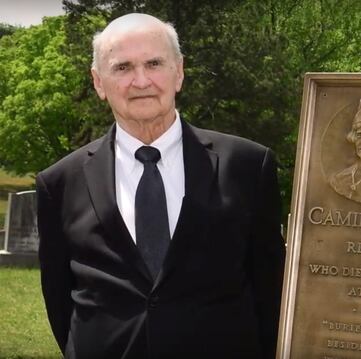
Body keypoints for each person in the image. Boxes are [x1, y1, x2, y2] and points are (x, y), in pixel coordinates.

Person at [36, 13, 285, 359]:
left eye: (154, 63)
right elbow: (60, 298)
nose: (141, 81)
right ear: (98, 82)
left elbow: (270, 289)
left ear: (179, 71)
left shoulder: (247, 166)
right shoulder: (60, 182)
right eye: (122, 68)